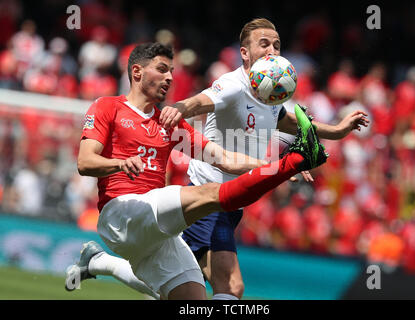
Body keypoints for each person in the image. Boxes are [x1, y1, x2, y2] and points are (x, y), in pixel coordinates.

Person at [66, 19, 369, 300]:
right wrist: (125, 158)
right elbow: (85, 162)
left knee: (194, 297)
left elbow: (227, 156)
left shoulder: (258, 97)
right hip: (136, 210)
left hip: (175, 216)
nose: (170, 77)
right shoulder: (109, 107)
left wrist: (321, 140)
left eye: (276, 45)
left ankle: (98, 261)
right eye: (264, 44)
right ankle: (103, 260)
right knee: (228, 279)